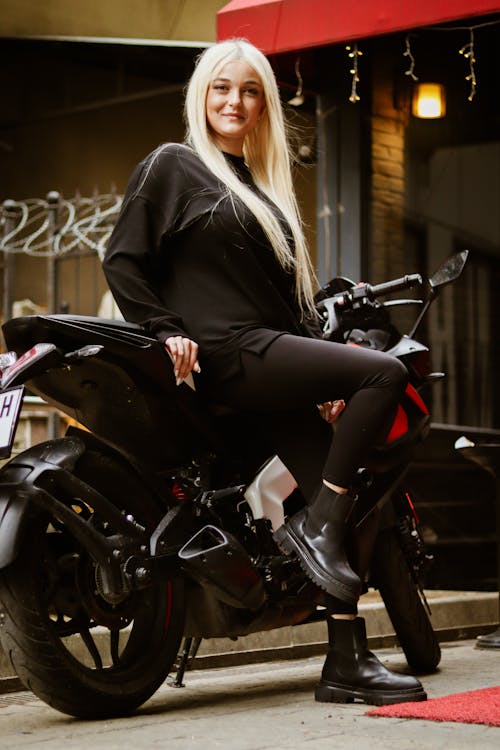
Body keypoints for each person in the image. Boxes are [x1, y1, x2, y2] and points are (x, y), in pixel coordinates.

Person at [103, 38, 427, 706]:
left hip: (268, 355)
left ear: (264, 107)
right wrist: (165, 330)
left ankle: (345, 661)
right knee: (384, 374)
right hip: (229, 353)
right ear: (202, 94)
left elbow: (289, 308)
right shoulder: (174, 165)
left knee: (345, 496)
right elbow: (122, 259)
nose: (235, 101)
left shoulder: (260, 192)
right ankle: (320, 527)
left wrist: (321, 384)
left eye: (250, 91)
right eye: (223, 87)